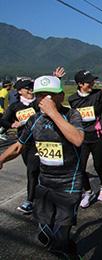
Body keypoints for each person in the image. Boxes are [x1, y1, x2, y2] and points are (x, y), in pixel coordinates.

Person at [0, 75, 84, 259]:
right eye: (40, 96)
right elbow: (18, 146)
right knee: (45, 236)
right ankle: (61, 250)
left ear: (61, 96)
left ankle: (71, 254)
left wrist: (54, 114)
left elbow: (77, 139)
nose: (44, 101)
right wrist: (1, 159)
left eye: (50, 95)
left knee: (61, 237)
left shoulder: (72, 115)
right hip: (45, 184)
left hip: (68, 184)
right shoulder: (35, 120)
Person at [68, 70, 102, 209]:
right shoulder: (72, 99)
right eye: (89, 82)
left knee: (98, 165)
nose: (92, 83)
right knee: (80, 167)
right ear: (80, 84)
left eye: (93, 81)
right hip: (81, 138)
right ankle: (88, 192)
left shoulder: (99, 94)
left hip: (98, 137)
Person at [0, 78, 40, 214]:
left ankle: (30, 201)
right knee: (31, 169)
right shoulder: (15, 106)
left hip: (40, 141)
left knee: (32, 170)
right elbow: (3, 120)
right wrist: (12, 124)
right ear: (19, 91)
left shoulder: (38, 103)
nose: (30, 89)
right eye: (27, 87)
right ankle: (39, 193)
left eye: (31, 87)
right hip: (24, 143)